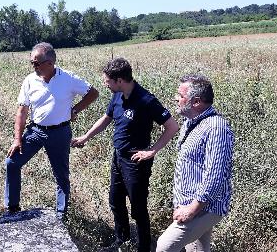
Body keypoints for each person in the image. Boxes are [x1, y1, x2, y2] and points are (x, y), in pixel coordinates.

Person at [71, 57, 179, 252]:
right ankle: (122, 241)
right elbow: (106, 118)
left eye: (108, 81)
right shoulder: (117, 96)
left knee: (138, 208)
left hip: (136, 161)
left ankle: (144, 247)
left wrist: (152, 150)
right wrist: (86, 137)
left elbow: (172, 126)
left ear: (119, 80)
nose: (106, 85)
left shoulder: (146, 100)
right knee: (115, 200)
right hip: (118, 157)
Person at [5, 42, 99, 218]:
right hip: (35, 131)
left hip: (60, 132)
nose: (33, 67)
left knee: (61, 174)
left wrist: (75, 110)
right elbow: (22, 111)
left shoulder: (68, 78)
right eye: (31, 62)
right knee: (12, 162)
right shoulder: (29, 80)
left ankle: (61, 214)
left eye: (36, 63)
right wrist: (17, 139)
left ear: (50, 63)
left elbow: (93, 93)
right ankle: (12, 208)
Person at [155, 74, 234, 252]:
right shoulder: (190, 122)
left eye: (181, 96)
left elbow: (215, 174)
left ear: (196, 102)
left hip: (205, 207)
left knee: (165, 247)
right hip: (191, 204)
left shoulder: (216, 127)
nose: (176, 98)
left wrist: (193, 208)